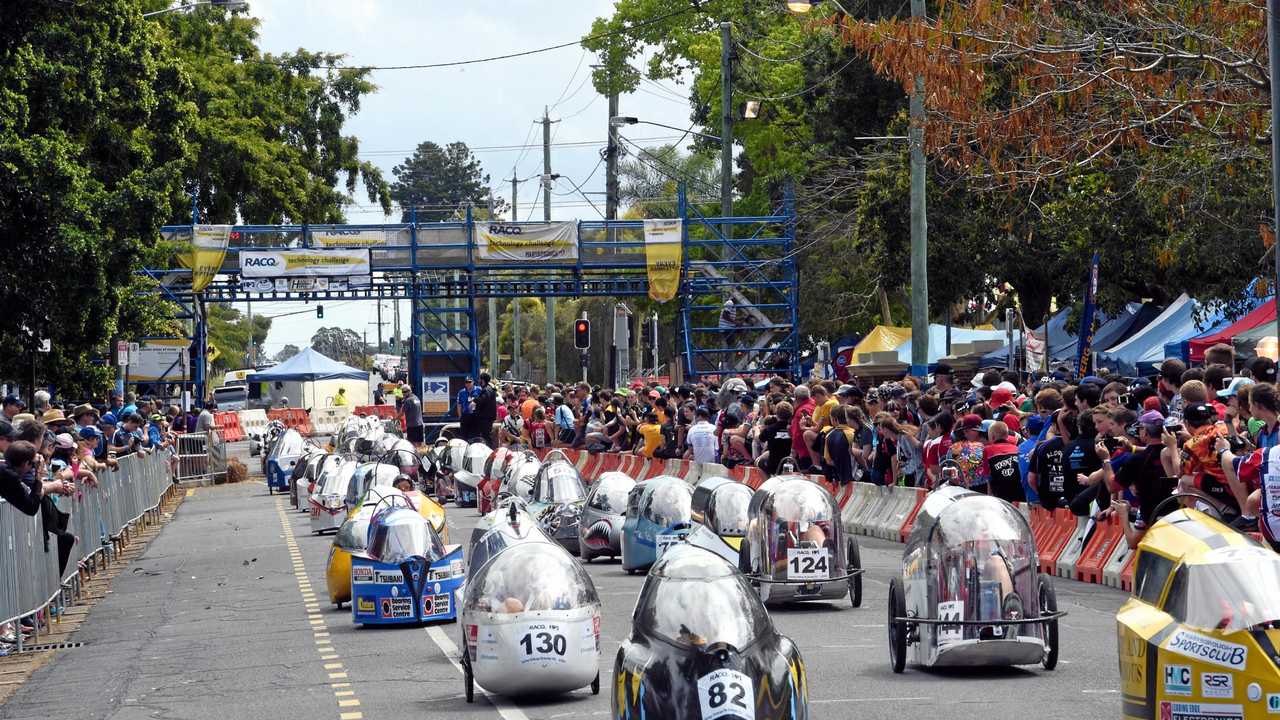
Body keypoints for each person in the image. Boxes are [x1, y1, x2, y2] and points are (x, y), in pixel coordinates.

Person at [983, 421, 1025, 502]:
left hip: (1000, 493)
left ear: (992, 437)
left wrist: (989, 498)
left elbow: (988, 476)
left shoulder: (987, 450)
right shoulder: (1016, 449)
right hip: (1019, 491)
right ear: (1007, 436)